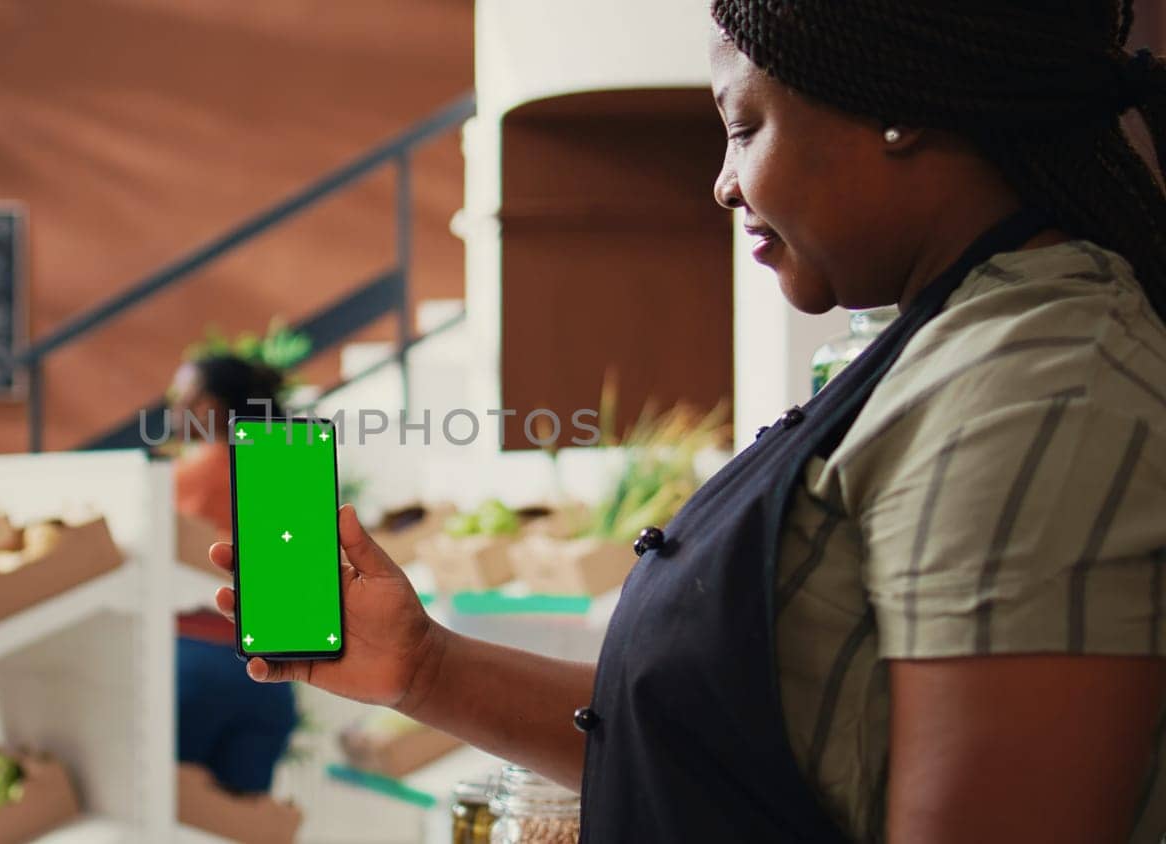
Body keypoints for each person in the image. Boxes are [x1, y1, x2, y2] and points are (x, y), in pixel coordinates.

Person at [206, 2, 1166, 841]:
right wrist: (424, 669)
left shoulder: (1040, 388)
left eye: (744, 126)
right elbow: (732, 759)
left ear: (897, 108)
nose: (723, 182)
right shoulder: (941, 349)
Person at [169, 354, 298, 795]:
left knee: (175, 819)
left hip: (194, 665)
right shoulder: (282, 469)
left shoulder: (189, 476)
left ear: (209, 408)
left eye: (180, 397)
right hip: (268, 676)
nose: (171, 408)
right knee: (245, 824)